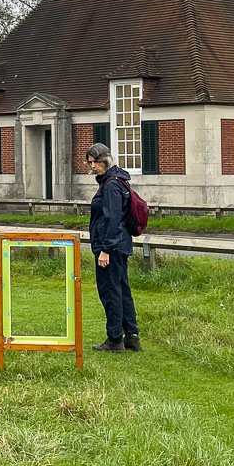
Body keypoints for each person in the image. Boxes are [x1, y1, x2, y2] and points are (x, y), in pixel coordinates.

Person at [85, 141, 140, 352]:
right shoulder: (117, 181)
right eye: (90, 162)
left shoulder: (110, 185)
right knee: (123, 290)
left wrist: (105, 250)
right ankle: (131, 336)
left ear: (105, 161)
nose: (92, 166)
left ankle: (115, 338)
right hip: (119, 244)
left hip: (111, 247)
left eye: (96, 162)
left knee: (110, 292)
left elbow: (112, 218)